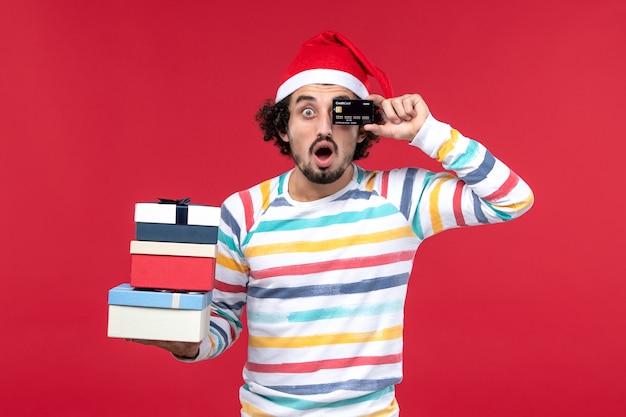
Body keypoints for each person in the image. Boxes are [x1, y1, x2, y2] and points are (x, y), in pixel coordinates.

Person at [131, 31, 534, 416]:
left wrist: (426, 132)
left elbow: (512, 199)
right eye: (307, 111)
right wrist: (185, 343)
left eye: (341, 112)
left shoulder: (401, 200)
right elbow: (223, 318)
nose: (324, 127)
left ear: (361, 128)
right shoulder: (244, 211)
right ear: (283, 128)